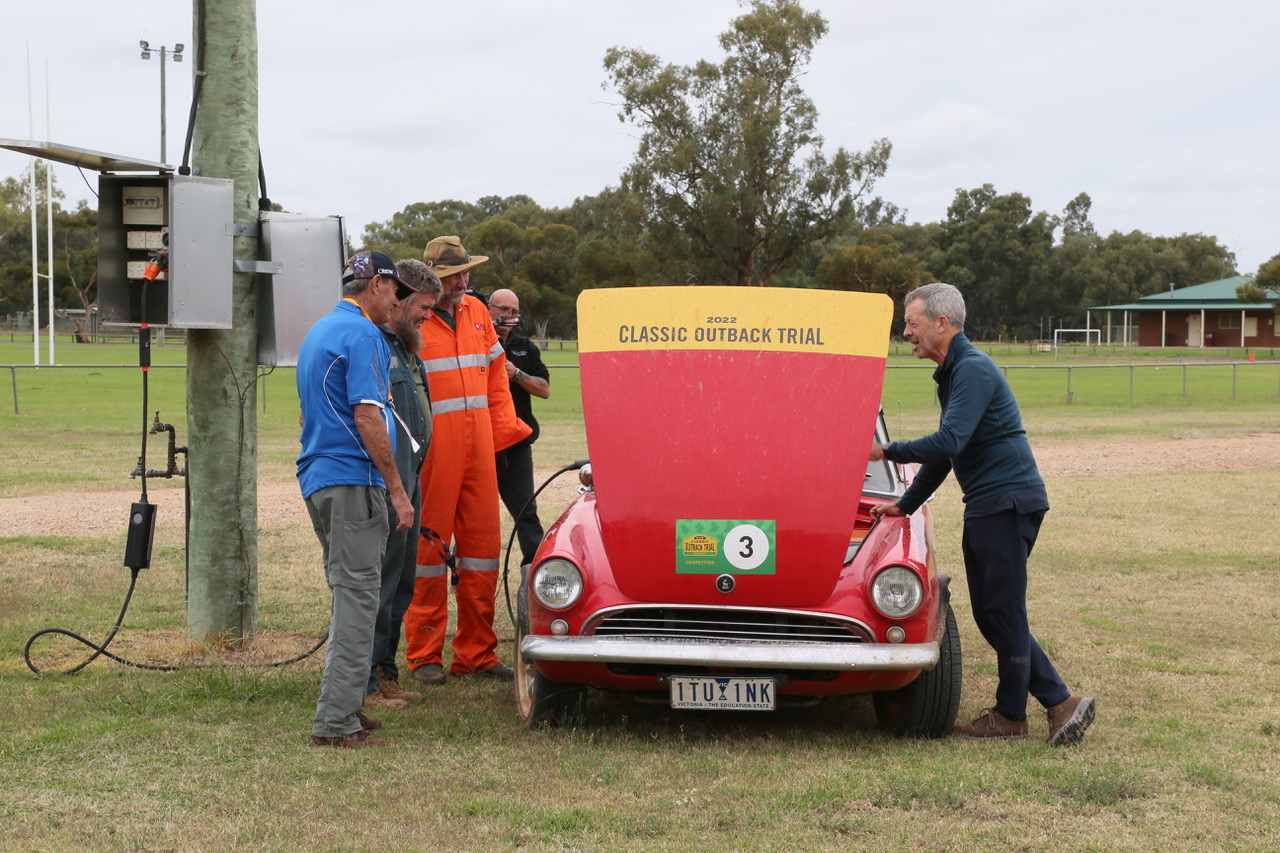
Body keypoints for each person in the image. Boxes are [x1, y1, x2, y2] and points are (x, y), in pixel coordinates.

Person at [869, 282, 1096, 747]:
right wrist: (905, 504)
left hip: (1006, 502)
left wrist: (886, 451)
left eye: (911, 322)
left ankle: (1048, 705)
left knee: (1002, 612)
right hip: (992, 504)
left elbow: (948, 441)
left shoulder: (971, 369)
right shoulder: (955, 372)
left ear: (941, 323)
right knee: (994, 613)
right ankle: (1024, 711)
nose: (905, 332)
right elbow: (948, 453)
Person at [296, 250, 419, 748]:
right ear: (376, 286)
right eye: (395, 292)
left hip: (320, 477)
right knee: (359, 598)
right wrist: (397, 490)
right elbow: (367, 415)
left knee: (351, 593)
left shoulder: (319, 330)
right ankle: (336, 723)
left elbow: (305, 415)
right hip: (352, 481)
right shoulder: (365, 334)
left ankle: (344, 706)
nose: (397, 303)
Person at [403, 236, 531, 685]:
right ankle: (424, 655)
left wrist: (503, 438)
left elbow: (496, 379)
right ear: (431, 278)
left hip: (481, 451)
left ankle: (476, 653)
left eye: (465, 273)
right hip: (434, 454)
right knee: (428, 555)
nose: (461, 283)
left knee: (482, 554)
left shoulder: (477, 311)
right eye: (451, 276)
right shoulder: (411, 316)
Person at [363, 260, 443, 712]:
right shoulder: (373, 343)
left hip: (410, 478)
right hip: (386, 482)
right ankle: (367, 680)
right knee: (381, 579)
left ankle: (386, 673)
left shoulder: (409, 348)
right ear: (400, 299)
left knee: (402, 580)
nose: (428, 316)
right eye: (423, 307)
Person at [487, 288, 551, 569]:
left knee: (526, 511)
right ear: (488, 308)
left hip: (516, 444)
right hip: (482, 443)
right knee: (472, 514)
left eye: (514, 311)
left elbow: (544, 389)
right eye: (503, 309)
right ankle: (460, 575)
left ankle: (535, 574)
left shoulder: (525, 347)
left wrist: (517, 374)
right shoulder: (472, 342)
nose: (508, 316)